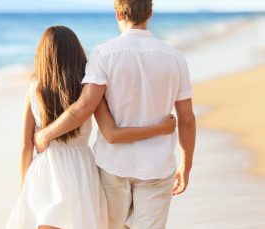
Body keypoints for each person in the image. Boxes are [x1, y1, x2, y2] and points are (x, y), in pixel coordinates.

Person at [34, 1, 197, 228]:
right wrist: (186, 166)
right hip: (157, 166)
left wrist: (45, 135)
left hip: (113, 165)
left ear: (117, 13)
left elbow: (84, 106)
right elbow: (187, 119)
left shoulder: (103, 53)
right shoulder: (175, 57)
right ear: (150, 12)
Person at [6, 26, 177, 229]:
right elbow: (112, 133)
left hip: (46, 170)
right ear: (77, 53)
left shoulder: (35, 89)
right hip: (81, 170)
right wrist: (159, 128)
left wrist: (23, 190)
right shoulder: (87, 90)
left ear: (43, 55)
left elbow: (26, 146)